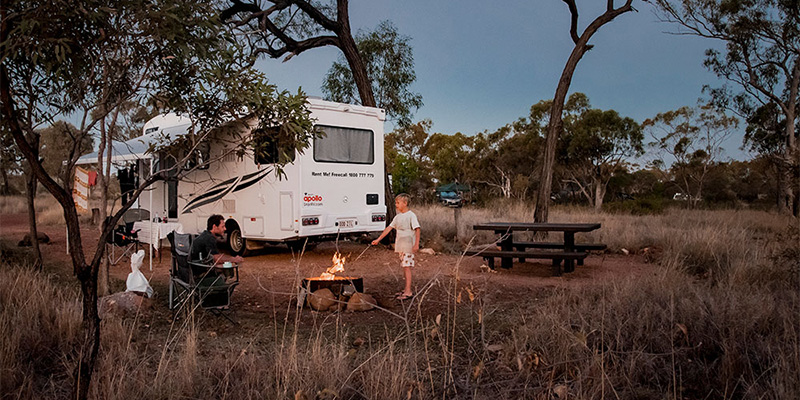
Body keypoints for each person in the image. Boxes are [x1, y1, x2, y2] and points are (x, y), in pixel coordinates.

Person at [372, 194, 420, 300]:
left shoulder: (411, 215)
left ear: (405, 203)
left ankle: (408, 291)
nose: (396, 205)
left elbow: (417, 229)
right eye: (396, 203)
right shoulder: (398, 217)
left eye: (398, 203)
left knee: (407, 268)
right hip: (401, 245)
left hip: (408, 245)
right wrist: (378, 239)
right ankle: (406, 288)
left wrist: (416, 244)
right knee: (404, 266)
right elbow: (389, 228)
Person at [190, 214, 243, 284]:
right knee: (227, 270)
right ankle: (222, 289)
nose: (225, 229)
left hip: (192, 270)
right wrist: (234, 259)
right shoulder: (209, 239)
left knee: (224, 266)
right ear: (214, 226)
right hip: (199, 274)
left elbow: (213, 257)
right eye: (222, 226)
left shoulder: (205, 235)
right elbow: (217, 258)